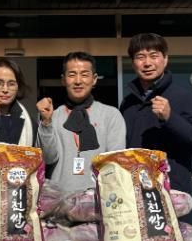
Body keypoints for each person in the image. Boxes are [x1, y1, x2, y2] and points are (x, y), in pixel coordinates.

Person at [120, 33, 192, 195]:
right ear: (133, 63)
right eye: (140, 57)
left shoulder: (185, 96)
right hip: (135, 192)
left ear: (165, 59)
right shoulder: (128, 103)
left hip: (173, 193)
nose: (147, 63)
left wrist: (170, 118)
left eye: (154, 56)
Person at [36, 51, 126, 192]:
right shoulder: (52, 115)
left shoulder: (111, 115)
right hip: (59, 200)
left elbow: (114, 164)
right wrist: (46, 122)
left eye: (84, 74)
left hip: (97, 199)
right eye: (72, 74)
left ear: (94, 79)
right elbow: (47, 159)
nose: (78, 81)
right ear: (63, 80)